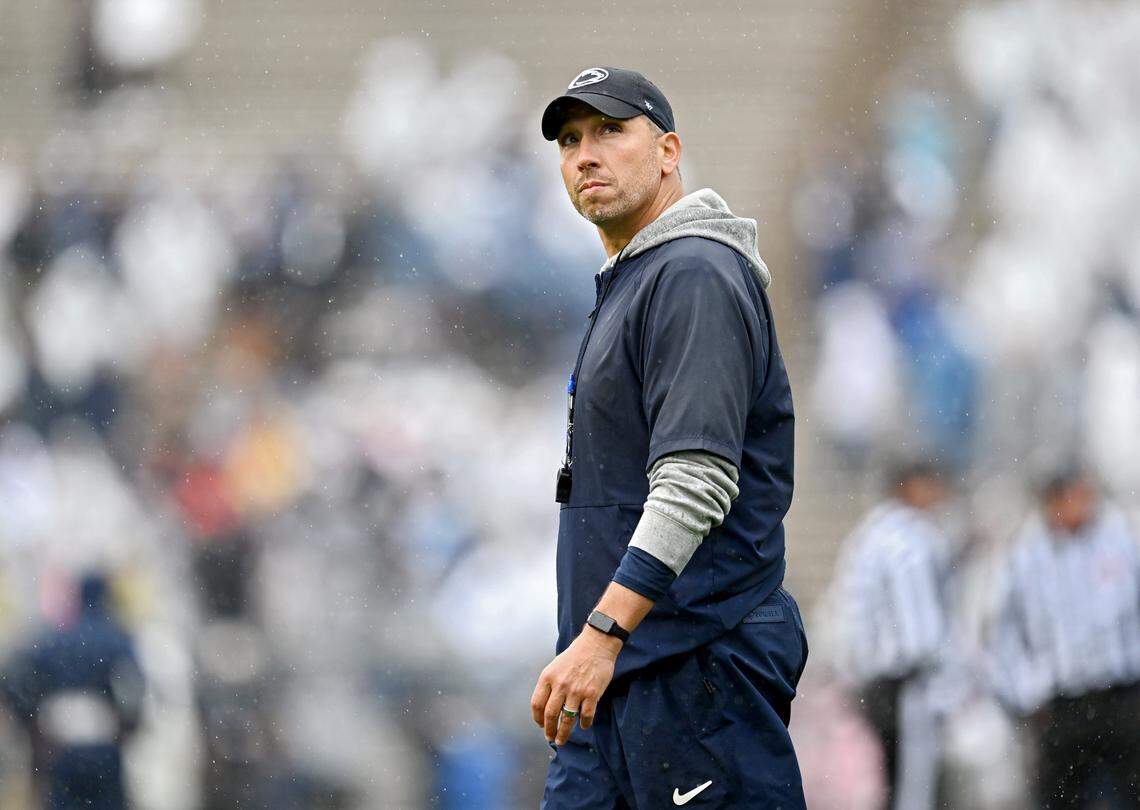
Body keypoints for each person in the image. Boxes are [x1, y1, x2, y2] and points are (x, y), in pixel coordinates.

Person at [529, 66, 807, 808]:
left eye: (611, 131)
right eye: (569, 139)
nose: (585, 154)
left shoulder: (694, 273)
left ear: (668, 151)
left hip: (693, 665)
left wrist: (601, 633)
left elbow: (695, 480)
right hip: (622, 674)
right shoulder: (637, 276)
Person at [990, 467, 1140, 808]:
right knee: (1061, 797)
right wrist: (1024, 695)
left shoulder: (1119, 543)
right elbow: (1005, 636)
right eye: (1071, 498)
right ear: (1050, 502)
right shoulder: (1025, 558)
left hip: (1121, 696)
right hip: (1061, 705)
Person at [826, 460, 959, 809]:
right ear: (909, 487)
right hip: (908, 682)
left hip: (878, 683)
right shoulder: (909, 538)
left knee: (890, 781)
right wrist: (946, 679)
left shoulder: (869, 532)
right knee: (913, 791)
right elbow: (921, 632)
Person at [0, 572, 145, 810]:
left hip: (59, 743)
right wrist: (129, 727)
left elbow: (14, 680)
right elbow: (134, 687)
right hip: (104, 743)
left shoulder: (52, 638)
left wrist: (28, 722)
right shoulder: (116, 638)